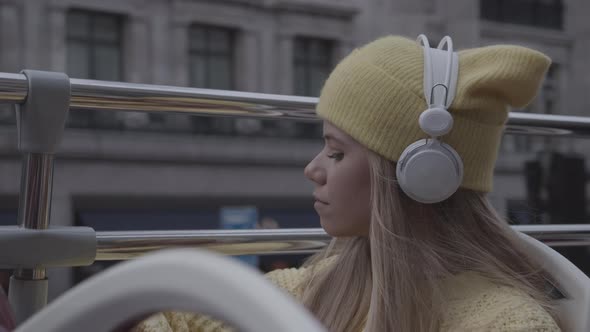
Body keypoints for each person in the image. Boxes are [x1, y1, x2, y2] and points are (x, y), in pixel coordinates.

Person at [132, 34, 560, 331]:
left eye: (336, 152)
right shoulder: (325, 284)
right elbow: (173, 315)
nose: (313, 169)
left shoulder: (509, 323)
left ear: (422, 175)